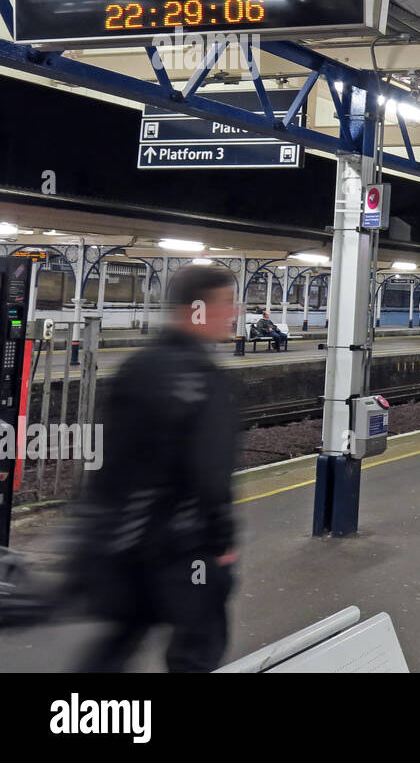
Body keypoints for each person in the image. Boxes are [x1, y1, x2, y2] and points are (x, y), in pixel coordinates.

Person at [71, 263, 241, 673]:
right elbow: (210, 477)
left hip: (123, 544)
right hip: (186, 551)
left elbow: (109, 465)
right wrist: (223, 545)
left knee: (118, 643)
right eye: (227, 304)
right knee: (199, 648)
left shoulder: (138, 368)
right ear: (196, 309)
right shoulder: (204, 379)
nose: (233, 314)